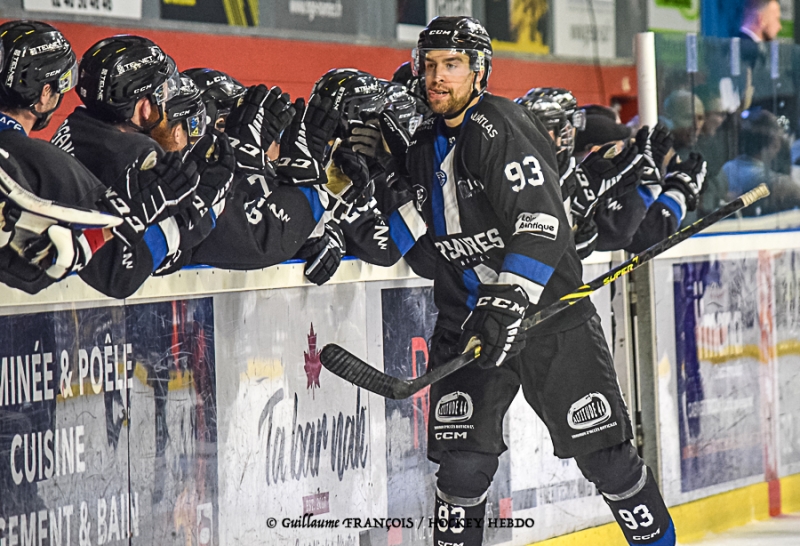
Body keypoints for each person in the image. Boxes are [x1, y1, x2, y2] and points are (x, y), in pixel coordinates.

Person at [401, 16, 675, 546]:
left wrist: (506, 304)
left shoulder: (500, 125)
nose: (437, 77)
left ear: (479, 71)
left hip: (550, 318)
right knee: (460, 471)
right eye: (429, 65)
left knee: (608, 460)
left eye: (452, 65)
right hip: (469, 325)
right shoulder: (423, 144)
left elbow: (543, 227)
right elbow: (414, 242)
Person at [0, 21, 196, 297]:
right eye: (61, 84)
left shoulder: (56, 145)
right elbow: (106, 269)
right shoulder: (43, 161)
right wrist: (132, 212)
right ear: (44, 94)